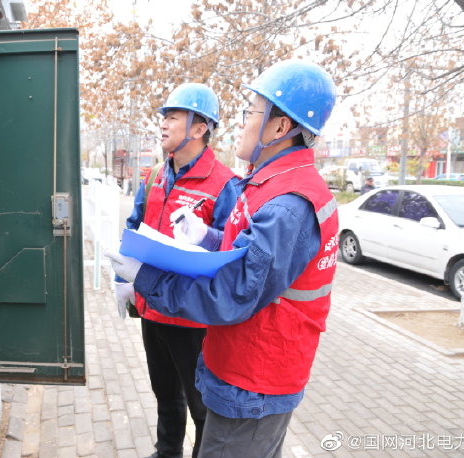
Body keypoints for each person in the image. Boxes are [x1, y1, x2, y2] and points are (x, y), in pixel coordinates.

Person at [106, 60, 338, 458]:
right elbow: (243, 253)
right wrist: (209, 238)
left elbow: (234, 292)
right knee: (167, 397)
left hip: (253, 377)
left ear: (280, 127)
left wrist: (145, 279)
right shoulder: (266, 183)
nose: (242, 124)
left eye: (251, 113)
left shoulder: (285, 203)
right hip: (235, 360)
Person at [114, 82, 240, 458]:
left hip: (191, 318)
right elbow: (134, 227)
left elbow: (232, 251)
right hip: (152, 307)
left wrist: (206, 237)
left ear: (199, 128)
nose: (163, 124)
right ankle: (167, 451)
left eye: (172, 117)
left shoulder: (225, 184)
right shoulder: (156, 175)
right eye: (164, 117)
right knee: (165, 394)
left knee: (201, 406)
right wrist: (123, 279)